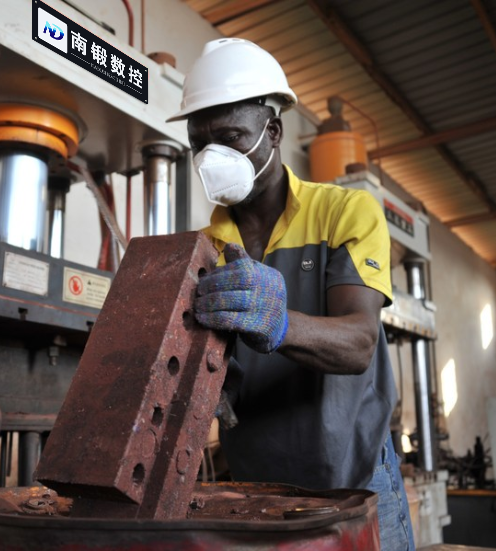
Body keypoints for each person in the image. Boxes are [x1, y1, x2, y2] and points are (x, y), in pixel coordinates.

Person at [168, 38, 414, 551]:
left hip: (355, 481)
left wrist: (278, 323)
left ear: (272, 132)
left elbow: (359, 344)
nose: (214, 157)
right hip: (255, 491)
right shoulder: (206, 247)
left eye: (231, 136)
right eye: (201, 143)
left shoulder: (346, 213)